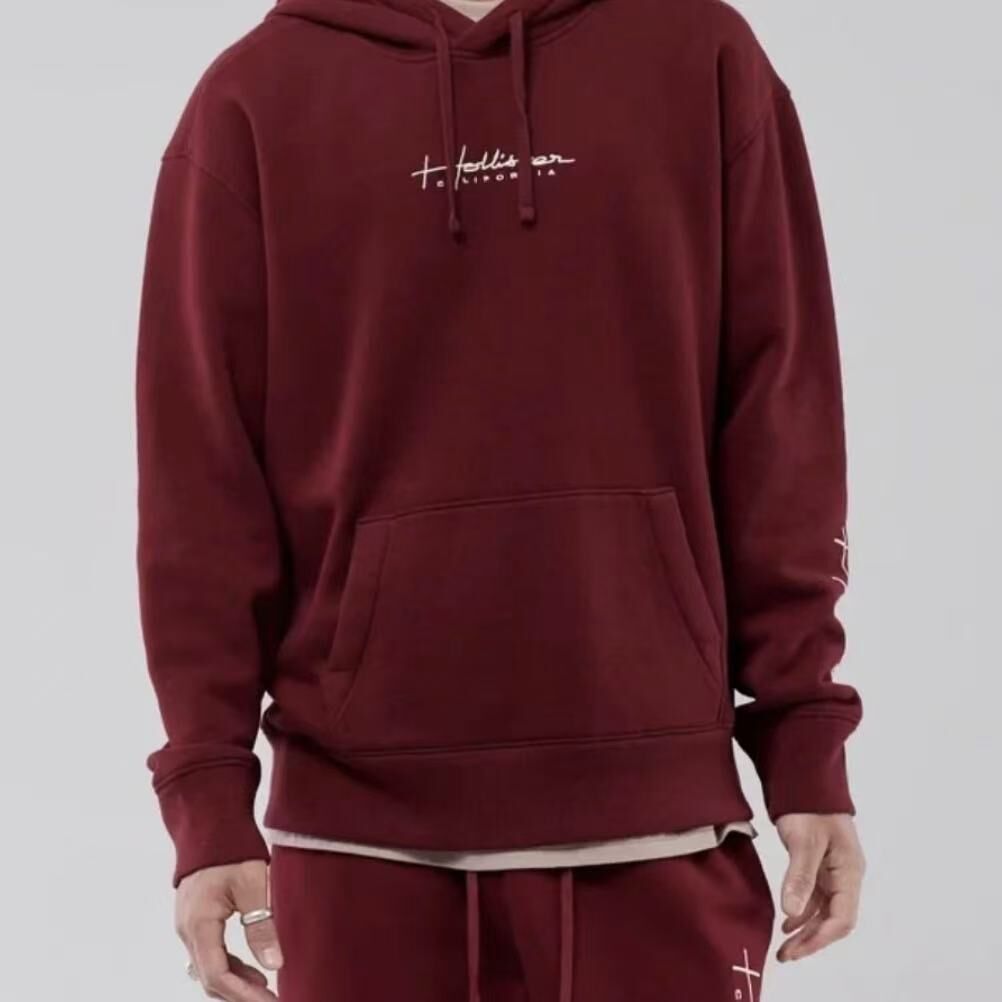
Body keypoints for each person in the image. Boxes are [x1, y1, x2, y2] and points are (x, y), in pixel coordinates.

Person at [136, 0, 865, 998]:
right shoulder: (254, 98)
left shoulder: (700, 54)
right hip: (359, 849)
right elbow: (199, 480)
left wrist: (804, 734)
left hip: (658, 828)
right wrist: (206, 794)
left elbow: (782, 417)